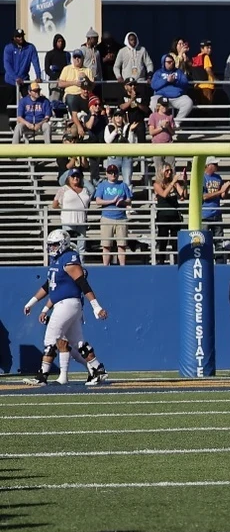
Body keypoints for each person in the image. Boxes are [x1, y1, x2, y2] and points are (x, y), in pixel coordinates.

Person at [24, 231, 108, 384]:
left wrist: (96, 306)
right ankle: (98, 369)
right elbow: (49, 286)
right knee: (78, 343)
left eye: (55, 244)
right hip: (65, 304)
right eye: (50, 245)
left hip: (67, 304)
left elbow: (83, 283)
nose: (52, 248)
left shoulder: (69, 258)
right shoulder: (56, 260)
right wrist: (32, 303)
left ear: (64, 243)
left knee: (51, 338)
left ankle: (42, 376)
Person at [91, 162, 131, 265]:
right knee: (106, 245)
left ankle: (122, 266)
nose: (113, 175)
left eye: (115, 172)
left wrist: (122, 202)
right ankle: (105, 267)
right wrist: (112, 201)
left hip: (121, 218)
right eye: (110, 172)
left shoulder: (123, 185)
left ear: (118, 174)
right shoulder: (102, 185)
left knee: (122, 245)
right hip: (107, 217)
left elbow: (129, 200)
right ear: (107, 173)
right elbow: (98, 201)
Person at [150, 54, 193, 120]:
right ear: (164, 63)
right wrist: (166, 80)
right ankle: (159, 121)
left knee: (188, 102)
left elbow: (185, 83)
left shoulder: (179, 72)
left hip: (177, 97)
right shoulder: (158, 73)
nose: (171, 63)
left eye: (172, 61)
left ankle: (176, 123)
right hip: (161, 96)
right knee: (153, 102)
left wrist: (175, 81)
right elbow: (154, 85)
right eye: (169, 62)